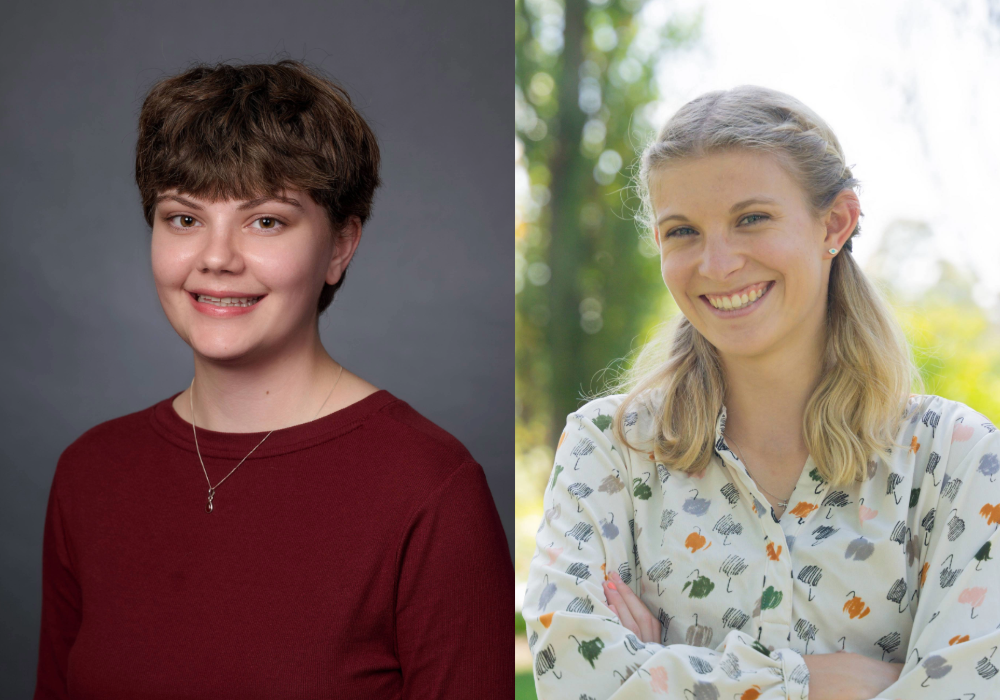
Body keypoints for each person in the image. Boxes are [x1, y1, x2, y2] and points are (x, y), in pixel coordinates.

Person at [34, 60, 512, 699]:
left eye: (265, 221)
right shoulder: (89, 473)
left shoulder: (431, 490)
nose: (217, 258)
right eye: (184, 218)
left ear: (340, 246)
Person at [523, 85, 999, 699]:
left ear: (836, 223)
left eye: (751, 219)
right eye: (682, 231)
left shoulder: (957, 461)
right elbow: (574, 681)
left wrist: (660, 671)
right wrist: (825, 686)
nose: (717, 264)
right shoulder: (608, 449)